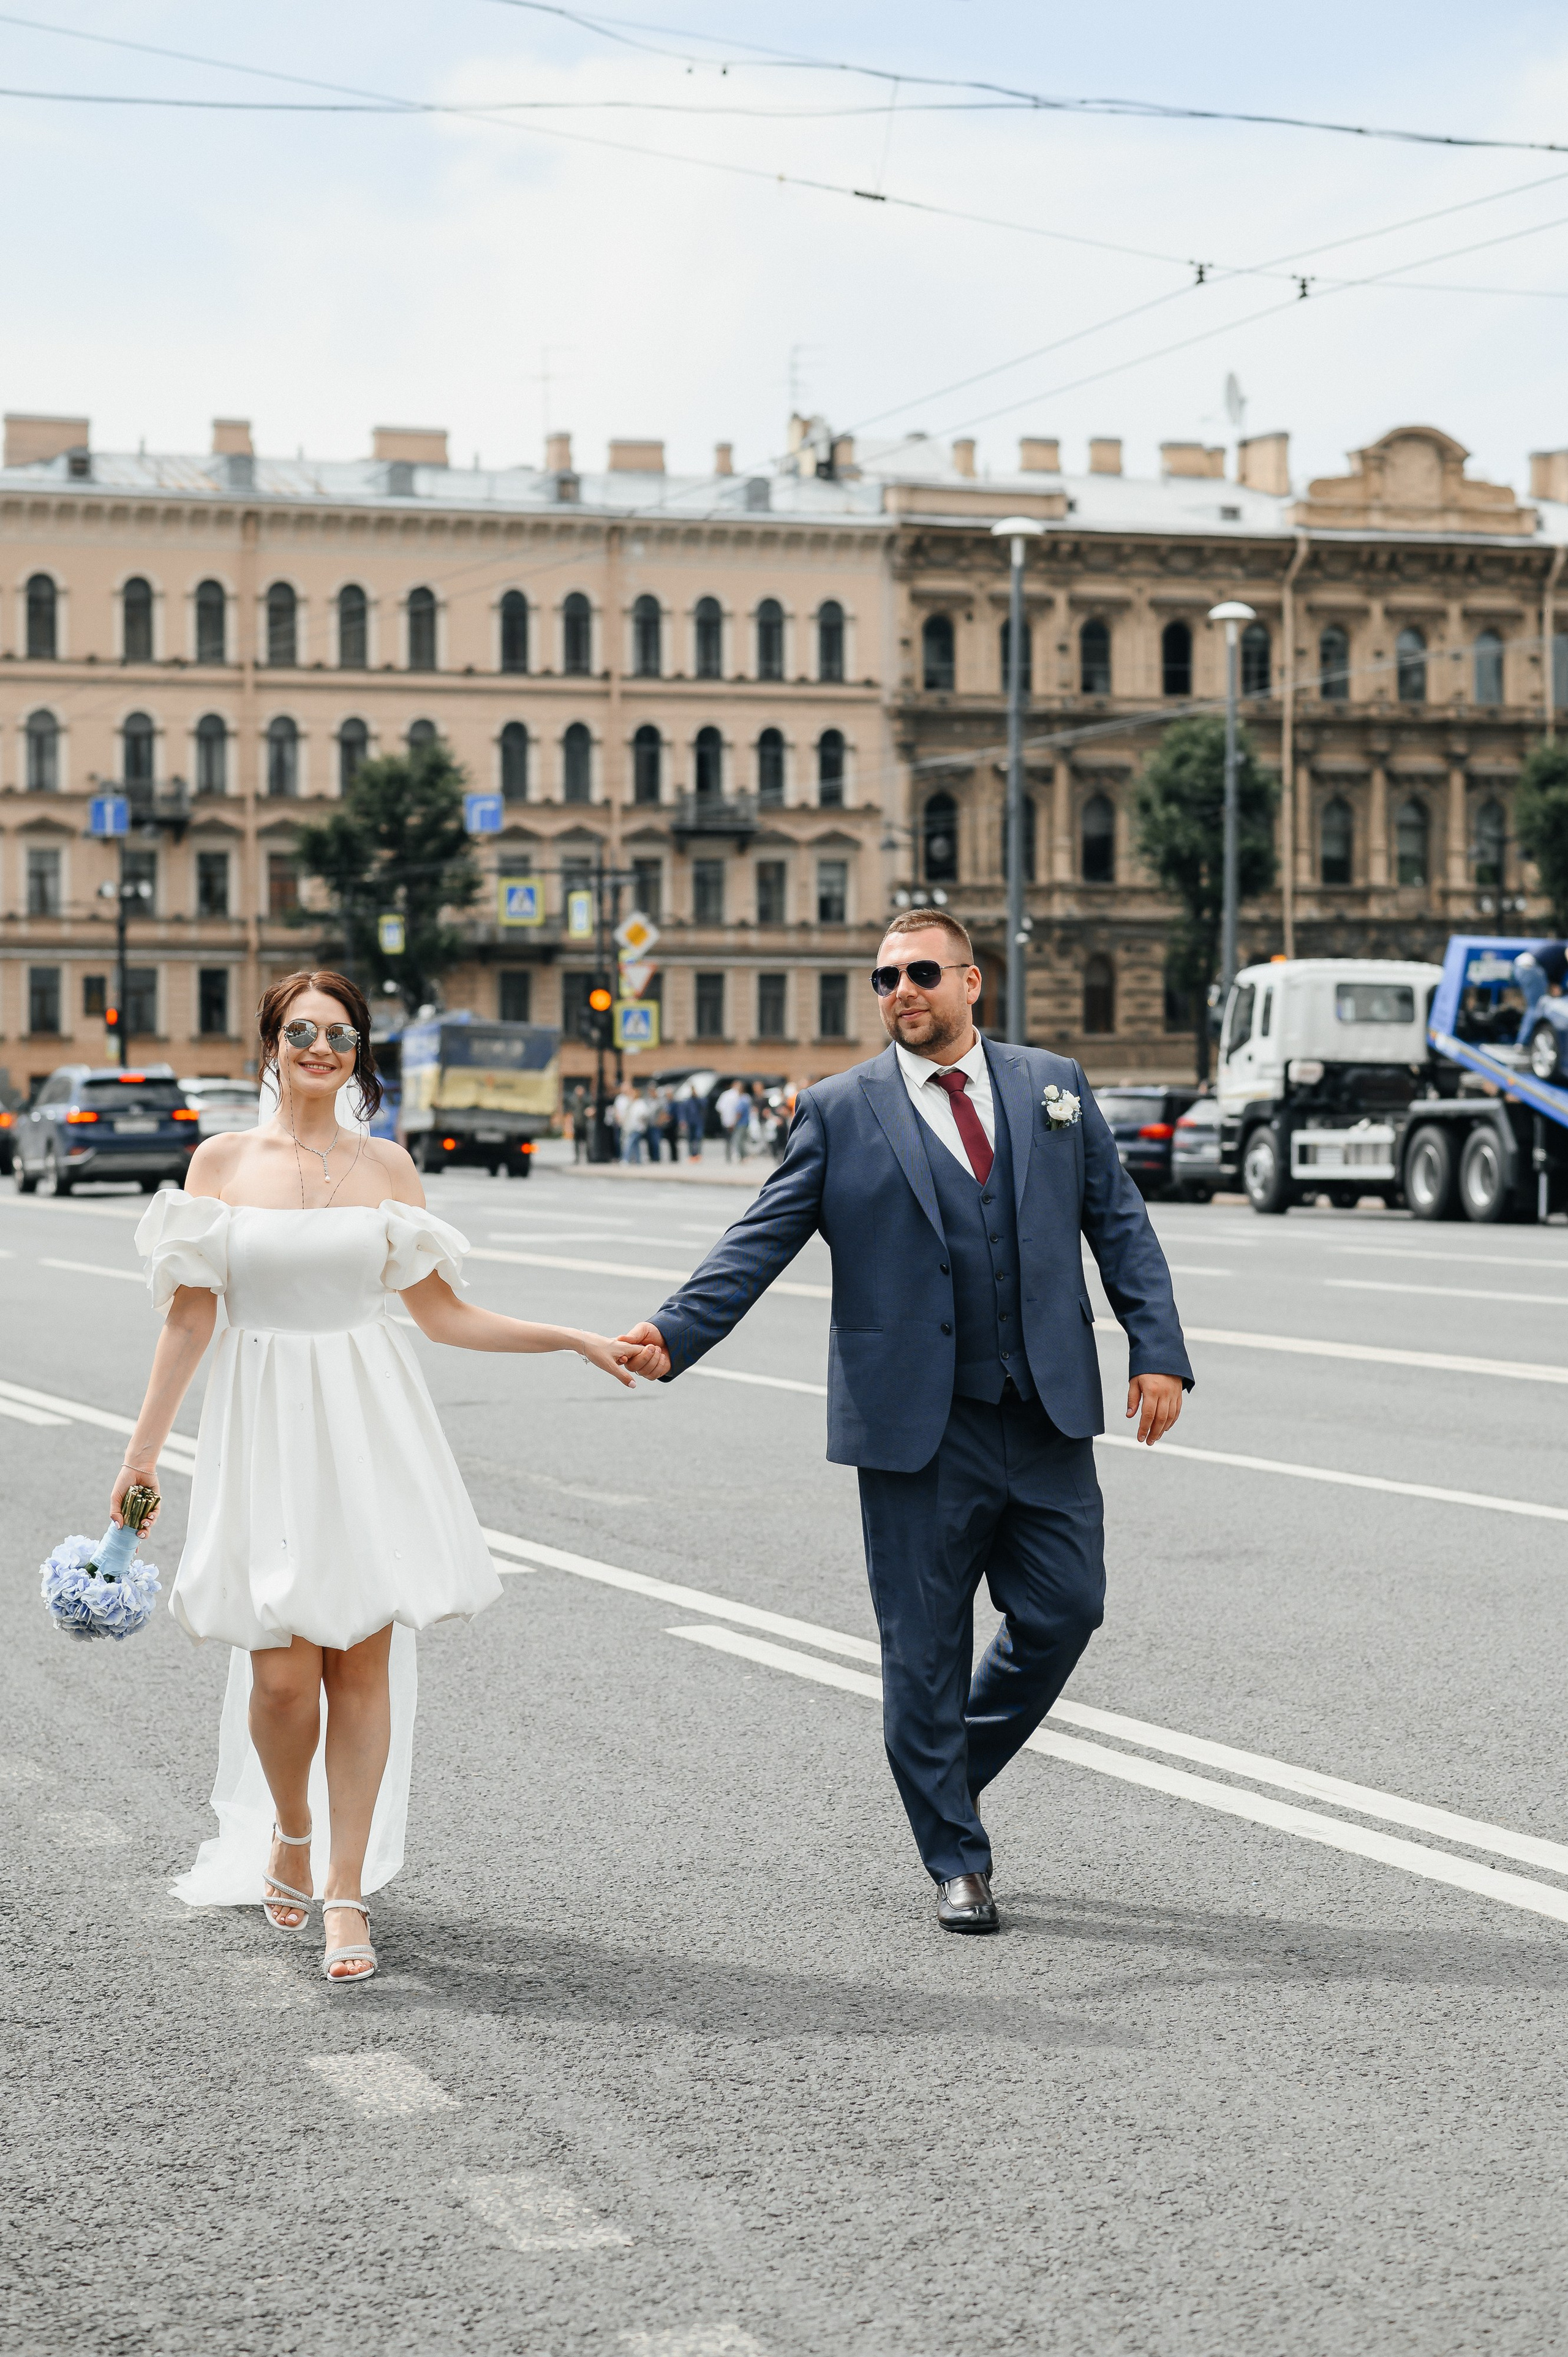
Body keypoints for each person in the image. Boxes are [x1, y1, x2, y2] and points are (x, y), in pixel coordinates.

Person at [617, 911, 1191, 1937]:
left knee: (1067, 1608)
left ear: (974, 981)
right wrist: (673, 1331)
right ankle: (956, 1856)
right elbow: (761, 1237)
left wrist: (1157, 1348)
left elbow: (1119, 1219)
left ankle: (943, 1771)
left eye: (922, 971)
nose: (900, 989)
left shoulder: (1050, 1082)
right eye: (884, 976)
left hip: (1046, 1409)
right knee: (922, 1649)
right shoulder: (841, 1109)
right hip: (917, 1426)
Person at [114, 969, 638, 1983]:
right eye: (301, 1030)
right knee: (278, 1672)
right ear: (271, 1043)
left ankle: (346, 1892)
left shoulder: (389, 1166)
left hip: (363, 1424)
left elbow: (446, 1316)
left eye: (341, 1034)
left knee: (358, 1657)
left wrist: (571, 1335)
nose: (320, 1047)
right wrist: (141, 1457)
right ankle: (293, 1829)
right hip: (262, 1425)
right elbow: (190, 1319)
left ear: (360, 1054)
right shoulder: (220, 1162)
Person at [1513, 943, 1568, 1047]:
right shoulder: (1559, 954)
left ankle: (1523, 1041)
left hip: (1524, 967)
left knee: (1535, 1005)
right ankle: (1523, 1043)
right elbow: (1554, 983)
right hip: (1530, 968)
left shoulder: (1558, 950)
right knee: (1536, 1006)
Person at [716, 1079, 746, 1162]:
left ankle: (728, 1157)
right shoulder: (738, 1096)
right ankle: (737, 1156)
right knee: (736, 1140)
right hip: (736, 1122)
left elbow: (719, 1108)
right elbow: (739, 1111)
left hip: (726, 1121)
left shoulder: (725, 1095)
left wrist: (724, 1119)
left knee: (728, 1141)